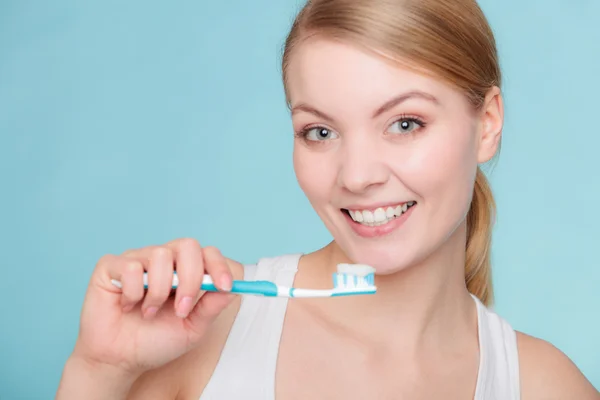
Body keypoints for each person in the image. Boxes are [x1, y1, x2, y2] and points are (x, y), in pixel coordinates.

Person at [56, 0, 599, 399]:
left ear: (487, 123)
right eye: (319, 132)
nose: (357, 176)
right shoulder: (202, 335)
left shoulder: (546, 387)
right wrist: (99, 371)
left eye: (405, 123)